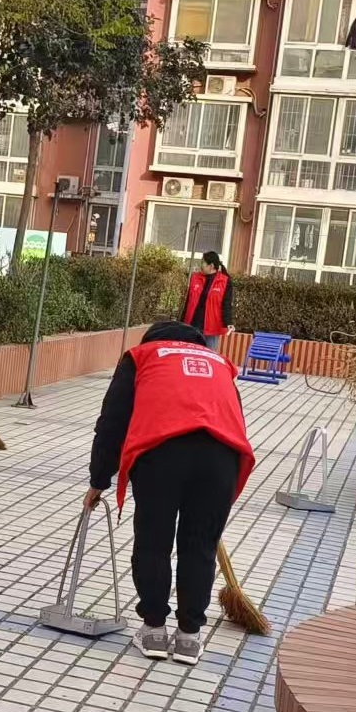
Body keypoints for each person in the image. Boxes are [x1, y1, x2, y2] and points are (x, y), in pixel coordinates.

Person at [84, 320, 256, 666]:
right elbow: (231, 416)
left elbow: (112, 422)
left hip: (161, 455)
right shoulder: (219, 362)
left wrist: (98, 480)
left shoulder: (141, 356)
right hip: (220, 458)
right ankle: (189, 637)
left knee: (154, 541)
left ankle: (154, 631)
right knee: (200, 546)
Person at [181, 251, 235, 351]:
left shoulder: (225, 281)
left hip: (212, 327)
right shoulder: (195, 277)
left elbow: (226, 304)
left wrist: (228, 322)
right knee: (190, 353)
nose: (201, 265)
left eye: (203, 262)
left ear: (211, 266)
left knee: (209, 354)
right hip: (193, 325)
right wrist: (182, 321)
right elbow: (188, 301)